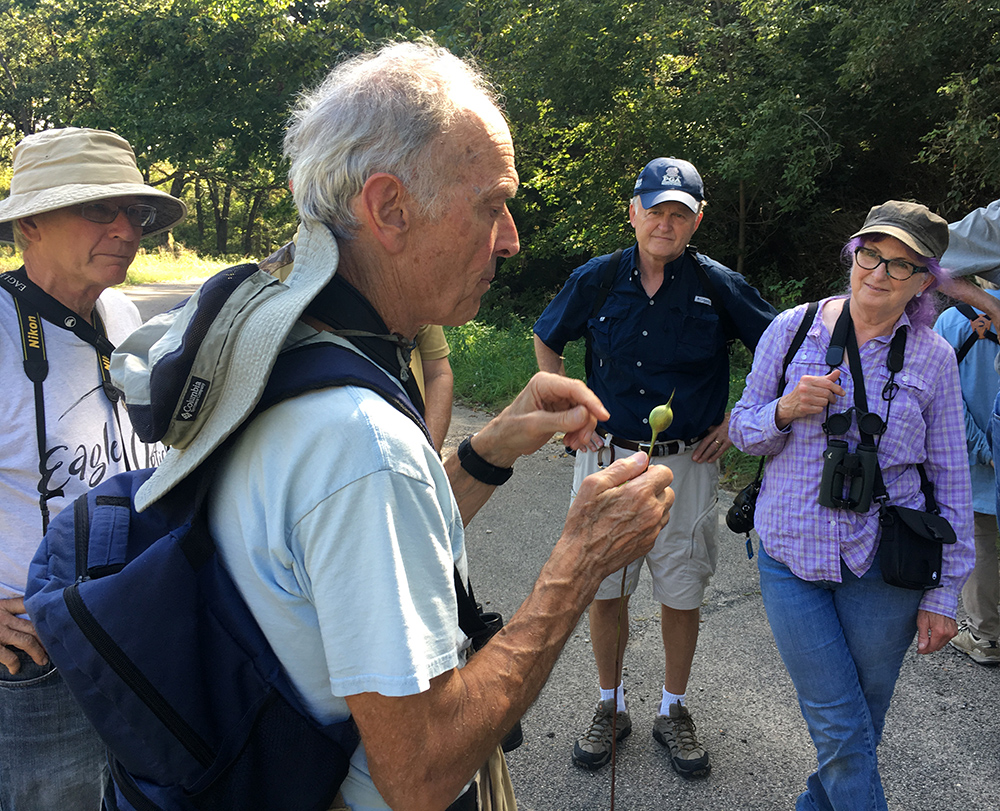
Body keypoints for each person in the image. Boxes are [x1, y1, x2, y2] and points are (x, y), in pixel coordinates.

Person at [114, 41, 674, 810]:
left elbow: (338, 549)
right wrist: (580, 560)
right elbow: (421, 772)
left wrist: (489, 446)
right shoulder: (362, 441)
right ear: (389, 209)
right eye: (490, 204)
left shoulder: (282, 345)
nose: (510, 237)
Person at [532, 157, 776, 777]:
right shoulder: (597, 278)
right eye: (656, 210)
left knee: (682, 586)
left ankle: (674, 709)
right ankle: (610, 705)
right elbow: (548, 339)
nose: (665, 223)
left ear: (696, 221)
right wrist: (570, 413)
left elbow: (780, 345)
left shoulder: (718, 284)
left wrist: (741, 417)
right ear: (634, 211)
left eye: (679, 214)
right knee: (605, 586)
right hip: (608, 458)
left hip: (689, 464)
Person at [729, 200, 975, 810]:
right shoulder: (792, 329)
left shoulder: (934, 357)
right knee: (840, 725)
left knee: (859, 721)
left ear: (924, 282)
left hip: (884, 564)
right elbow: (741, 428)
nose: (879, 273)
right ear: (853, 254)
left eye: (901, 265)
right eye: (871, 254)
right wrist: (784, 410)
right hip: (790, 555)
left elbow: (952, 479)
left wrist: (946, 595)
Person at [0, 128, 183, 808]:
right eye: (99, 209)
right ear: (29, 222)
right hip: (37, 662)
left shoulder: (120, 312)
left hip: (134, 638)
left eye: (133, 212)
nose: (126, 229)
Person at [261, 240, 455, 450]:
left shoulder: (407, 275)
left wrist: (428, 456)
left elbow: (437, 372)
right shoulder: (269, 282)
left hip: (405, 452)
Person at [936, 206, 1000, 664]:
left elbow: (946, 402)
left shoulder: (953, 322)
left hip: (978, 461)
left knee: (981, 538)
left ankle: (985, 636)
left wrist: (983, 449)